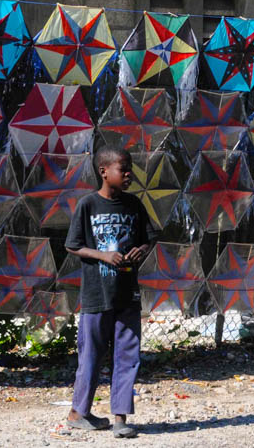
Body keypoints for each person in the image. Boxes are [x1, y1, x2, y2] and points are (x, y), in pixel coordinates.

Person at [64, 146, 155, 438]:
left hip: (127, 294)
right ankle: (79, 412)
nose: (129, 174)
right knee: (91, 354)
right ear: (104, 172)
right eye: (123, 169)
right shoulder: (88, 205)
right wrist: (104, 256)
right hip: (96, 295)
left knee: (127, 354)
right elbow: (73, 244)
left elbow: (148, 239)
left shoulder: (134, 205)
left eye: (130, 169)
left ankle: (120, 418)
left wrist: (142, 250)